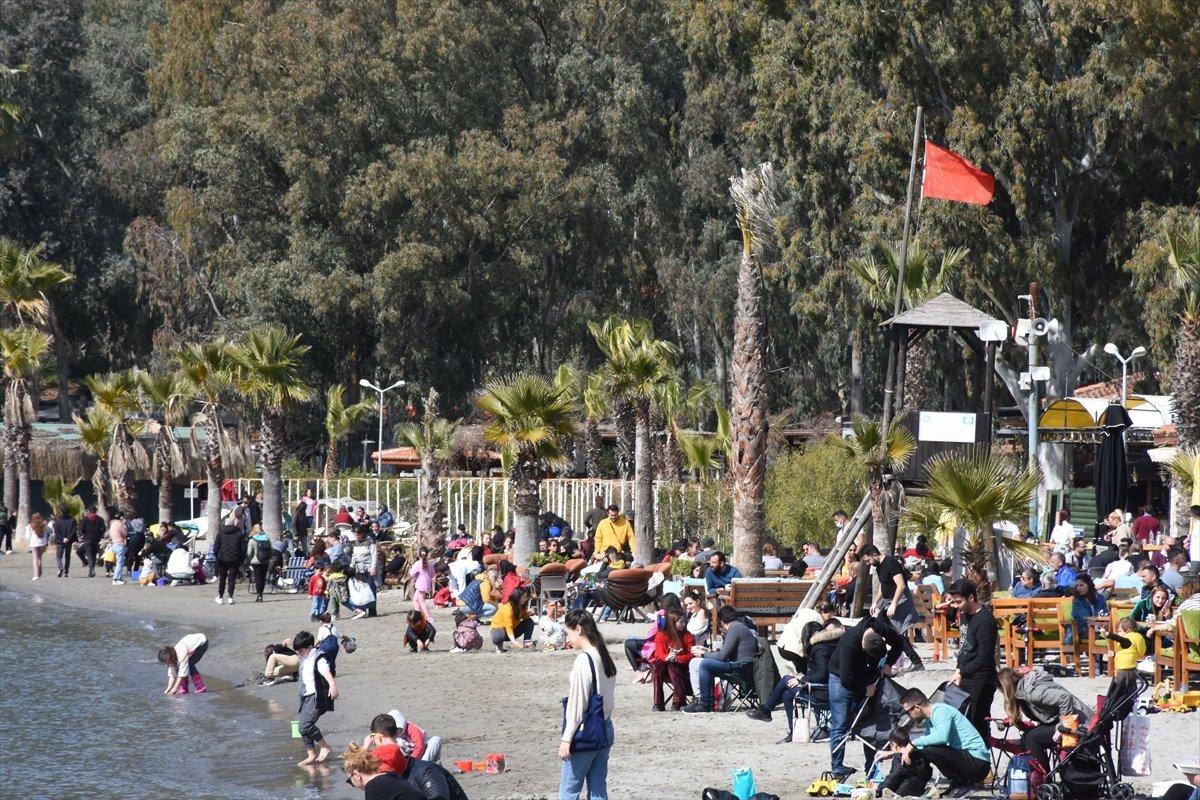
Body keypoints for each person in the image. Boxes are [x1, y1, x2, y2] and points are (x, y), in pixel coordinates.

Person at [826, 616, 906, 779]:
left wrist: (887, 663)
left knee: (870, 722)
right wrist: (864, 690)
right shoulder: (850, 642)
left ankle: (871, 767)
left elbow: (899, 642)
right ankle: (838, 767)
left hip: (867, 674)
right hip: (840, 678)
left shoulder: (881, 628)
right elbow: (846, 678)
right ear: (863, 645)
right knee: (840, 725)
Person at [746, 616, 844, 743]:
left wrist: (801, 680)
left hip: (821, 692)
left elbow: (821, 674)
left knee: (787, 679)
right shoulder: (827, 646)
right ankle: (793, 731)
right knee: (787, 694)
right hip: (822, 689)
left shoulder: (820, 649)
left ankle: (766, 710)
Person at [558, 610, 616, 800]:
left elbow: (577, 703)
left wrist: (567, 738)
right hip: (605, 727)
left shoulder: (584, 659)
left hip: (586, 732)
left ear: (579, 629)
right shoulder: (602, 652)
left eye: (568, 633)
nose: (568, 639)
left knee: (569, 790)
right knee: (598, 789)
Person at [895, 687, 991, 794]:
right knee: (923, 750)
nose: (908, 716)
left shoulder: (940, 711)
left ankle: (961, 782)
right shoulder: (930, 720)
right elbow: (922, 745)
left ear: (917, 707)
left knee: (930, 750)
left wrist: (913, 743)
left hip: (977, 762)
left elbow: (942, 737)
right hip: (968, 760)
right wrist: (898, 751)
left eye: (908, 712)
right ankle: (911, 788)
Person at [996, 667, 1094, 770]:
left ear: (1006, 687)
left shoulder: (1033, 692)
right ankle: (1041, 776)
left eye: (1001, 689)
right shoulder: (1024, 689)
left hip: (1081, 724)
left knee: (1031, 738)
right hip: (1072, 720)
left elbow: (1065, 697)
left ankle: (1043, 779)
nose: (1001, 693)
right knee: (1026, 737)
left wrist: (1064, 726)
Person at [945, 579, 996, 742]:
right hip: (966, 673)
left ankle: (983, 764)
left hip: (982, 679)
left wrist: (962, 672)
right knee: (961, 720)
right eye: (954, 601)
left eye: (959, 601)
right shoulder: (966, 615)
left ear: (971, 598)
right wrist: (959, 669)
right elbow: (965, 647)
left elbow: (985, 656)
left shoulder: (985, 621)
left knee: (976, 722)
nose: (957, 605)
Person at [859, 544, 925, 671]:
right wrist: (875, 602)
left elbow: (901, 585)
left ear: (874, 555)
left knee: (896, 633)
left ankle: (914, 661)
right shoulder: (878, 566)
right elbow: (884, 586)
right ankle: (882, 660)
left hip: (899, 601)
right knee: (879, 626)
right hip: (887, 602)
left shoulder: (891, 563)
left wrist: (894, 604)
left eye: (868, 560)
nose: (867, 563)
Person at [683, 605, 758, 713]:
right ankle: (704, 701)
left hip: (741, 669)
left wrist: (703, 654)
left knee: (705, 664)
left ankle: (705, 704)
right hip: (743, 666)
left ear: (722, 622)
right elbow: (724, 653)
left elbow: (722, 656)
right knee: (704, 663)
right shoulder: (739, 627)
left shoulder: (735, 628)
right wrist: (706, 650)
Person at [294, 629, 338, 766]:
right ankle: (311, 754)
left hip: (317, 696)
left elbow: (325, 671)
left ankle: (325, 747)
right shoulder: (305, 658)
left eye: (301, 651)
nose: (299, 654)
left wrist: (332, 685)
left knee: (305, 725)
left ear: (310, 647)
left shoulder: (318, 657)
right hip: (306, 697)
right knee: (301, 727)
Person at [649, 607, 694, 711]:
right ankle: (658, 703)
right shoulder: (661, 635)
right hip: (664, 667)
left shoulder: (687, 636)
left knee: (672, 666)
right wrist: (667, 657)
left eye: (684, 621)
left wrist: (678, 658)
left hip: (682, 667)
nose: (684, 624)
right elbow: (658, 654)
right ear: (672, 623)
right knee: (658, 668)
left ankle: (678, 701)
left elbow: (691, 654)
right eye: (681, 622)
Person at [342, 743, 422, 799]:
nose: (353, 786)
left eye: (350, 781)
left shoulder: (373, 787)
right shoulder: (389, 776)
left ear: (356, 775)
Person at [1100, 616, 1146, 696]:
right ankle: (1131, 704)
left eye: (1120, 631)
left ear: (1128, 630)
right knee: (1132, 690)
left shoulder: (1127, 639)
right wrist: (1114, 655)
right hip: (1132, 669)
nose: (1118, 634)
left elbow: (1120, 639)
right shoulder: (1137, 638)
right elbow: (1129, 653)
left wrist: (1107, 634)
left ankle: (1119, 706)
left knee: (1119, 690)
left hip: (1123, 670)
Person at [490, 586, 535, 652]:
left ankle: (527, 642)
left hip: (512, 630)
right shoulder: (507, 607)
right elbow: (508, 626)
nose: (526, 599)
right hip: (499, 630)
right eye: (524, 597)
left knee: (529, 622)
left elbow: (524, 616)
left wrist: (529, 613)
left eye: (526, 597)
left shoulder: (521, 605)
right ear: (517, 598)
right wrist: (514, 642)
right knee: (498, 637)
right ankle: (499, 648)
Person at [1068, 574, 1106, 645]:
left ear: (1089, 585)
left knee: (1113, 633)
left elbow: (1105, 613)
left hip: (1100, 628)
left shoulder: (1100, 598)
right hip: (1082, 629)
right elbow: (1083, 617)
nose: (1078, 588)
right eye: (1077, 586)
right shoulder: (1077, 600)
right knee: (1097, 634)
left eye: (1081, 585)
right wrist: (1096, 620)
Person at [214, 522, 246, 604]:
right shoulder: (239, 533)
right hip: (234, 558)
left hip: (222, 558)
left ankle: (220, 596)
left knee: (222, 578)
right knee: (232, 578)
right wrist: (240, 559)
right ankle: (230, 597)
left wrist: (217, 556)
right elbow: (243, 548)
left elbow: (216, 546)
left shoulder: (221, 532)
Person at [247, 524, 273, 602]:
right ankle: (261, 594)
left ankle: (259, 595)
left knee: (258, 578)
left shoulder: (252, 540)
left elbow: (249, 552)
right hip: (265, 561)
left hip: (256, 561)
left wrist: (251, 559)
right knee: (263, 578)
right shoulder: (267, 539)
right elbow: (271, 550)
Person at [50, 509, 78, 578]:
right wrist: (68, 538)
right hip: (69, 541)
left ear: (62, 512)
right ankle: (66, 571)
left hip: (60, 541)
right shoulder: (72, 521)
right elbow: (73, 531)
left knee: (59, 556)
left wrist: (62, 538)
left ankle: (60, 568)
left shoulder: (58, 521)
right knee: (67, 556)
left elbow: (57, 532)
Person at [79, 505, 105, 576]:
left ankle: (91, 569)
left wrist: (84, 534)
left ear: (89, 511)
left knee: (85, 553)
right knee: (93, 555)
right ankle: (91, 571)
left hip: (87, 539)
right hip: (96, 539)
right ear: (95, 511)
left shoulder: (85, 519)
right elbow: (103, 529)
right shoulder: (100, 519)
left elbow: (81, 529)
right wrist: (100, 535)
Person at [409, 547, 435, 617]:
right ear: (427, 554)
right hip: (426, 584)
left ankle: (428, 616)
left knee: (421, 601)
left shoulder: (417, 563)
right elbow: (433, 575)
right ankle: (418, 615)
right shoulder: (430, 563)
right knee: (415, 599)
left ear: (419, 554)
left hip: (420, 584)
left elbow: (411, 573)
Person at [105, 511, 128, 585]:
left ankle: (120, 578)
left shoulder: (113, 524)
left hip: (114, 543)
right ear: (121, 517)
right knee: (119, 563)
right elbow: (125, 533)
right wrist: (124, 524)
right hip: (120, 544)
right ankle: (115, 579)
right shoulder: (121, 524)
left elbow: (110, 534)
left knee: (119, 562)